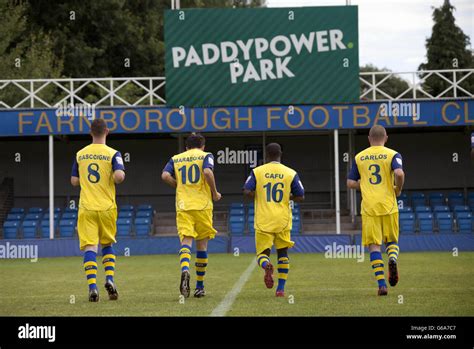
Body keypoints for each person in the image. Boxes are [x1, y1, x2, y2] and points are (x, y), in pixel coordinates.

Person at [71, 118, 125, 302]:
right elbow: (119, 176)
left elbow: (74, 181)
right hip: (107, 207)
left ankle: (92, 287)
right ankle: (109, 279)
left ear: (90, 133)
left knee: (90, 247)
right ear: (107, 132)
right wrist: (117, 175)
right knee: (107, 244)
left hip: (86, 207)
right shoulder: (113, 153)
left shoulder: (80, 154)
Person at [347, 125, 405, 296]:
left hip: (369, 207)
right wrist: (398, 189)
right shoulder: (393, 154)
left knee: (374, 247)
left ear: (368, 138)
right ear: (386, 138)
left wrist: (363, 184)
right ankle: (392, 258)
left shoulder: (359, 157)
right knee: (391, 241)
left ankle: (381, 285)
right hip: (389, 205)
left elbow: (350, 183)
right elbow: (400, 174)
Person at [161, 133, 221, 298]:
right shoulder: (206, 156)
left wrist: (177, 185)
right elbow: (208, 172)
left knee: (186, 241)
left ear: (186, 147)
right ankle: (199, 287)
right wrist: (215, 193)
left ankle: (185, 269)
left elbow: (165, 175)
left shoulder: (176, 158)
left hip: (183, 206)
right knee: (202, 246)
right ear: (203, 146)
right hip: (202, 206)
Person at [243, 143, 305, 297]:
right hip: (282, 220)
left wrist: (259, 195)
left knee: (262, 254)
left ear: (266, 155)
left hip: (264, 219)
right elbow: (301, 196)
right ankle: (281, 289)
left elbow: (246, 190)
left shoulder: (257, 172)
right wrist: (288, 196)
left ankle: (266, 265)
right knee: (283, 254)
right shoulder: (290, 173)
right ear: (280, 154)